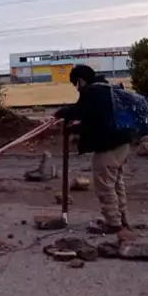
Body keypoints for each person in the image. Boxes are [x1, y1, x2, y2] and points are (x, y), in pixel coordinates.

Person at [54, 64, 133, 234]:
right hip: (123, 143)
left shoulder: (92, 92)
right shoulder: (107, 88)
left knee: (104, 185)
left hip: (109, 146)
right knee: (116, 183)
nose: (77, 88)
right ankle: (122, 218)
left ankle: (113, 222)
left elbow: (80, 111)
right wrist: (75, 127)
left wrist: (62, 112)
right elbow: (94, 120)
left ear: (81, 80)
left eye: (76, 83)